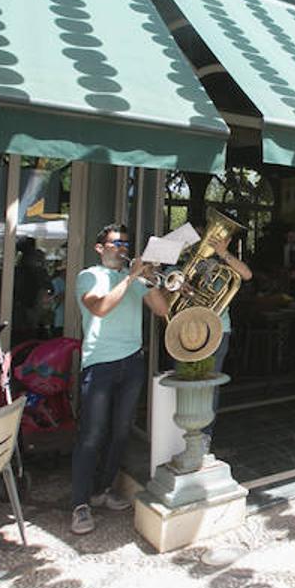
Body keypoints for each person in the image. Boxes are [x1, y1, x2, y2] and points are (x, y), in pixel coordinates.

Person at [70, 223, 170, 535]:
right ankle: (80, 503)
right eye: (116, 243)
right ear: (100, 248)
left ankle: (103, 489)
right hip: (100, 364)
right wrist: (130, 276)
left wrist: (151, 280)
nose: (122, 248)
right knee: (92, 434)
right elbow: (100, 308)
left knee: (121, 432)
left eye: (126, 243)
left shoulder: (136, 280)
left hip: (132, 362)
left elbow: (162, 309)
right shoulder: (90, 275)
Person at [198, 219, 252, 438]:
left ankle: (205, 435)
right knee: (190, 382)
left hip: (219, 329)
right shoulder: (186, 260)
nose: (208, 241)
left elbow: (247, 275)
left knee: (211, 383)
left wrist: (223, 253)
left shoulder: (224, 261)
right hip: (190, 329)